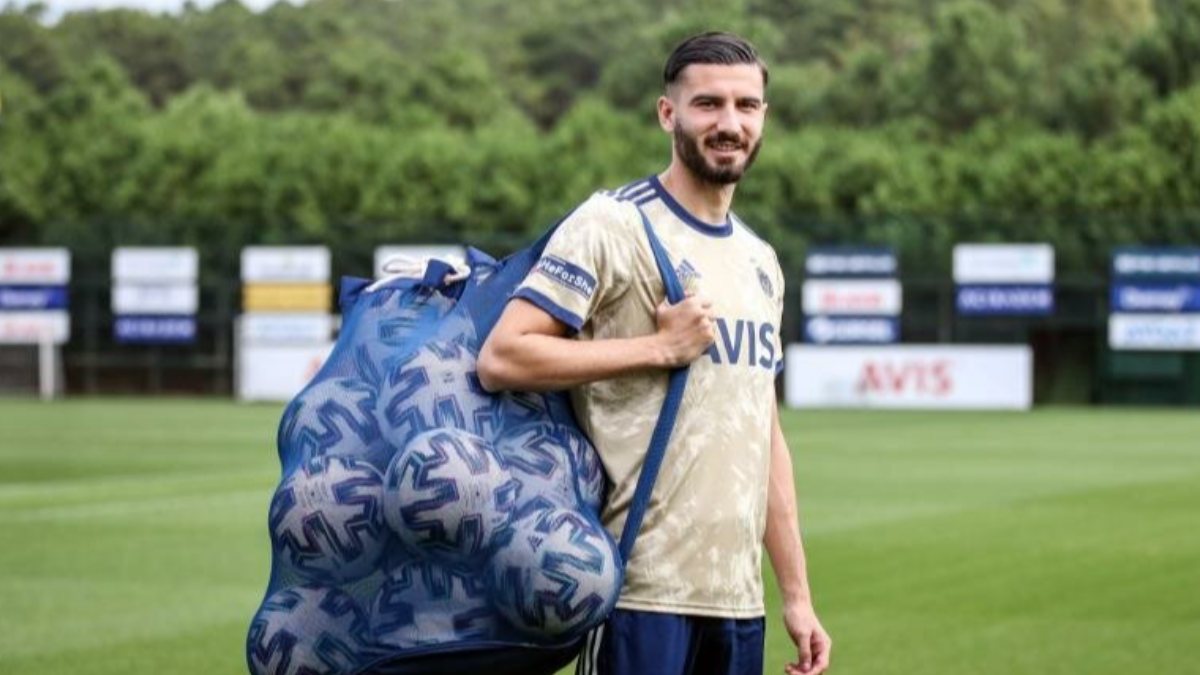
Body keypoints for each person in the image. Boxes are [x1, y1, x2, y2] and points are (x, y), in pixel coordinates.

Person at [477, 31, 831, 675]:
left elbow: (764, 432)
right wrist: (659, 347)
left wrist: (797, 595)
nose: (730, 124)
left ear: (763, 117)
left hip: (737, 600)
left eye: (746, 106)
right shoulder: (613, 224)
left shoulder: (761, 260)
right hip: (637, 594)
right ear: (669, 114)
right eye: (708, 104)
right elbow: (503, 357)